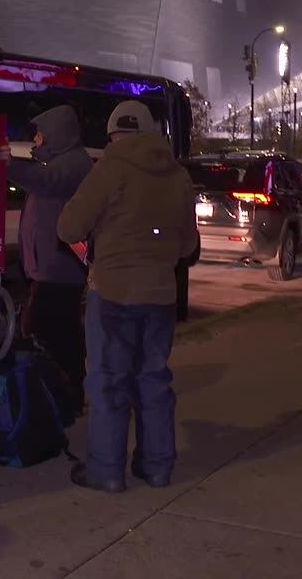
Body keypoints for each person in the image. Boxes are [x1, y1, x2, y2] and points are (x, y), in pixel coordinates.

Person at [57, 100, 197, 493]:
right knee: (153, 380)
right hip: (160, 296)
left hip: (113, 293)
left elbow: (69, 227)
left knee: (108, 381)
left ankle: (106, 470)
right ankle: (156, 467)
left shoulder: (110, 168)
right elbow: (187, 245)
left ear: (114, 134)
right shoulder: (177, 175)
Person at [0, 105, 92, 410]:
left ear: (56, 134)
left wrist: (8, 165)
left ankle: (65, 393)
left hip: (61, 268)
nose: (36, 141)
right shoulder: (59, 162)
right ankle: (64, 393)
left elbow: (45, 181)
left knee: (45, 327)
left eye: (40, 135)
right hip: (51, 267)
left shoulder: (73, 164)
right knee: (57, 329)